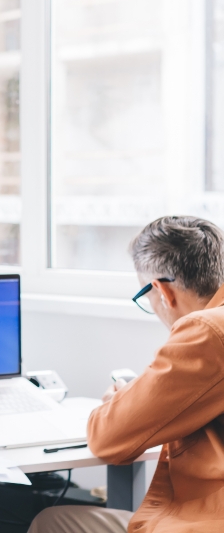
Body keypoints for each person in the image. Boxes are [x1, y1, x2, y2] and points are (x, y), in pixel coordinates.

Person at [30, 216, 224, 533]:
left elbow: (108, 440)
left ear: (163, 292)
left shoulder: (206, 332)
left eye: (145, 297)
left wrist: (118, 403)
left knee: (53, 522)